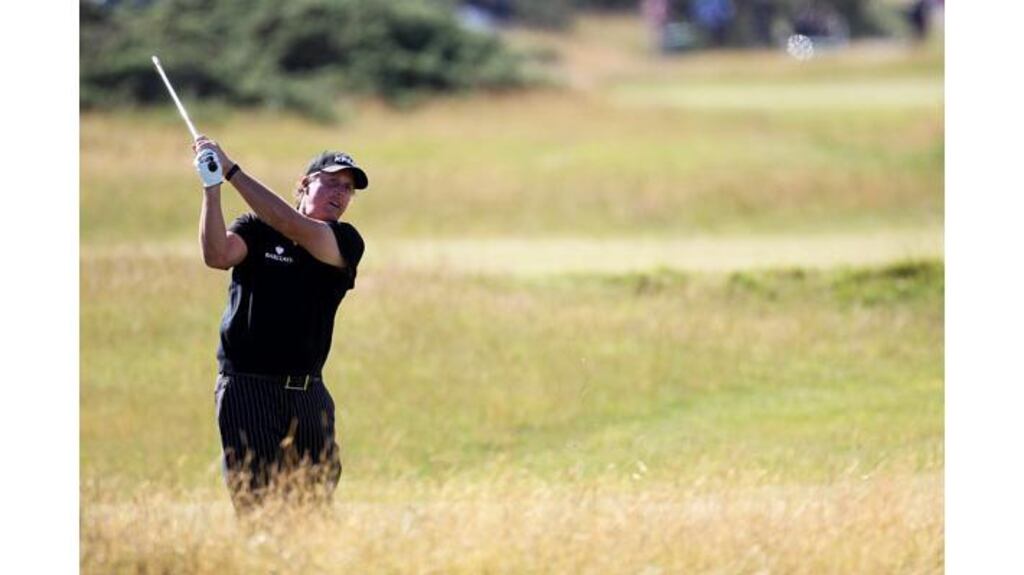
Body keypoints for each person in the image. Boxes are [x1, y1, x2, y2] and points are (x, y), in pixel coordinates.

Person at [192, 135, 367, 513]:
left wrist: (232, 170)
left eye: (349, 188)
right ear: (305, 183)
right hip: (247, 388)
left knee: (315, 506)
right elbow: (218, 255)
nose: (341, 193)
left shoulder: (344, 241)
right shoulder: (256, 229)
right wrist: (212, 189)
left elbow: (290, 223)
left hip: (308, 394)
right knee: (258, 504)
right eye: (333, 181)